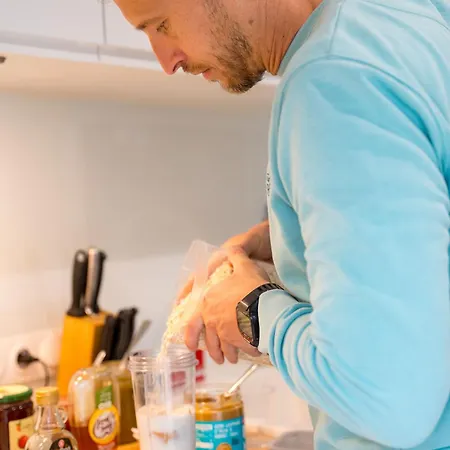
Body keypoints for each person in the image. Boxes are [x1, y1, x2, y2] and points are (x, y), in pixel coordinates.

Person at [115, 0, 450, 448]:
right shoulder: (403, 22)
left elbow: (385, 397)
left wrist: (256, 310)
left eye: (161, 24)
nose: (166, 61)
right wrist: (294, 235)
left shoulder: (330, 80)